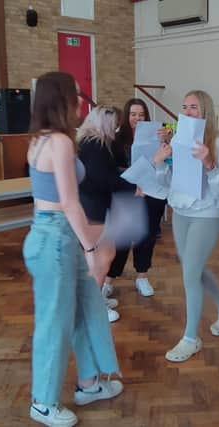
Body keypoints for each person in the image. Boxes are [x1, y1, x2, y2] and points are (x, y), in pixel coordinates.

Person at [23, 72, 123, 427]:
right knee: (55, 322)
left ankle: (90, 382)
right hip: (56, 238)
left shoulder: (41, 139)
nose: (82, 101)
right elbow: (69, 202)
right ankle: (43, 402)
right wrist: (92, 246)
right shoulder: (61, 143)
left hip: (52, 234)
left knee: (89, 307)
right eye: (76, 95)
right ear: (62, 100)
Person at [152, 90, 219, 362]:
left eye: (194, 107)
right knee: (194, 269)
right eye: (184, 107)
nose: (187, 112)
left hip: (207, 213)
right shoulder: (179, 140)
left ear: (205, 112)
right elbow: (170, 183)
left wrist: (209, 163)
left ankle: (191, 338)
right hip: (180, 210)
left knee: (190, 274)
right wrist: (161, 161)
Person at [77, 104, 143, 322]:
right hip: (92, 207)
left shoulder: (88, 142)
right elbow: (103, 178)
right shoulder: (95, 144)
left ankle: (94, 300)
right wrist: (132, 187)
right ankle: (93, 306)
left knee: (103, 255)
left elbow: (105, 173)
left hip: (92, 204)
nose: (116, 129)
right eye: (114, 125)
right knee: (102, 258)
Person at [100, 98, 169, 301]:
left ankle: (142, 276)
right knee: (122, 237)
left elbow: (169, 162)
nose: (137, 118)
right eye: (133, 114)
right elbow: (113, 169)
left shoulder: (158, 136)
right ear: (126, 116)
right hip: (127, 191)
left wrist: (166, 141)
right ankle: (109, 280)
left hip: (152, 192)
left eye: (141, 115)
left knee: (146, 236)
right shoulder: (116, 138)